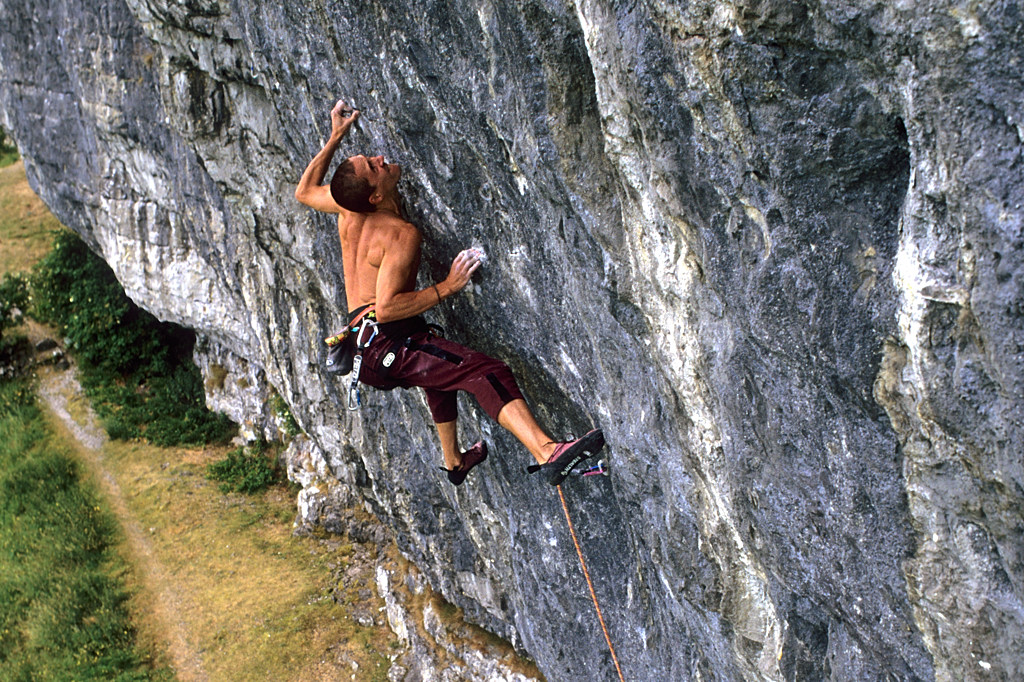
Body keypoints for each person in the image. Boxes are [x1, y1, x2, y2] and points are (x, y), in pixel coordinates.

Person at [295, 100, 604, 486]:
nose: (380, 158)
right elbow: (388, 309)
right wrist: (447, 287)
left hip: (367, 343)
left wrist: (335, 136)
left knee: (437, 368)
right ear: (374, 196)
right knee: (485, 371)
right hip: (385, 341)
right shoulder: (400, 235)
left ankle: (453, 460)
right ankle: (547, 452)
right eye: (374, 167)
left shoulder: (348, 208)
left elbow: (305, 191)